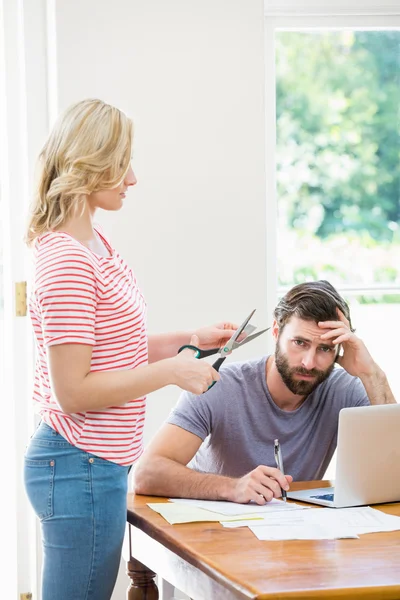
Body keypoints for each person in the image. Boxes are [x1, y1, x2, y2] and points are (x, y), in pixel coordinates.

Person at [23, 98, 239, 600]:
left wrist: (191, 339)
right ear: (90, 162)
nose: (133, 178)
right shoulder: (66, 262)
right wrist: (172, 371)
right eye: (123, 163)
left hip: (94, 466)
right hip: (78, 464)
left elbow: (110, 350)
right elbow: (74, 390)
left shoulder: (94, 244)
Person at [134, 280, 397, 505]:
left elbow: (394, 470)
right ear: (276, 332)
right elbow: (147, 473)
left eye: (325, 349)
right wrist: (233, 488)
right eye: (299, 343)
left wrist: (370, 373)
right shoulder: (221, 386)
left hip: (293, 539)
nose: (309, 362)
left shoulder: (344, 388)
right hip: (212, 537)